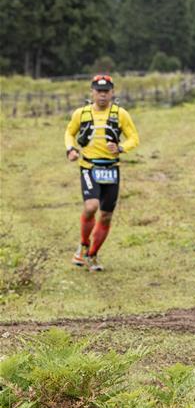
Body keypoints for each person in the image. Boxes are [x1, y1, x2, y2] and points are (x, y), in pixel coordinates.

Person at [65, 74, 140, 271]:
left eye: (106, 92)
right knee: (91, 206)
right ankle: (83, 245)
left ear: (112, 93)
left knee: (106, 215)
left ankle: (93, 255)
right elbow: (69, 133)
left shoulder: (120, 114)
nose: (103, 95)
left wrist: (122, 148)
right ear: (92, 92)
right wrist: (71, 149)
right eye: (99, 91)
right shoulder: (81, 113)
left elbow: (134, 138)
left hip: (111, 169)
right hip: (89, 167)